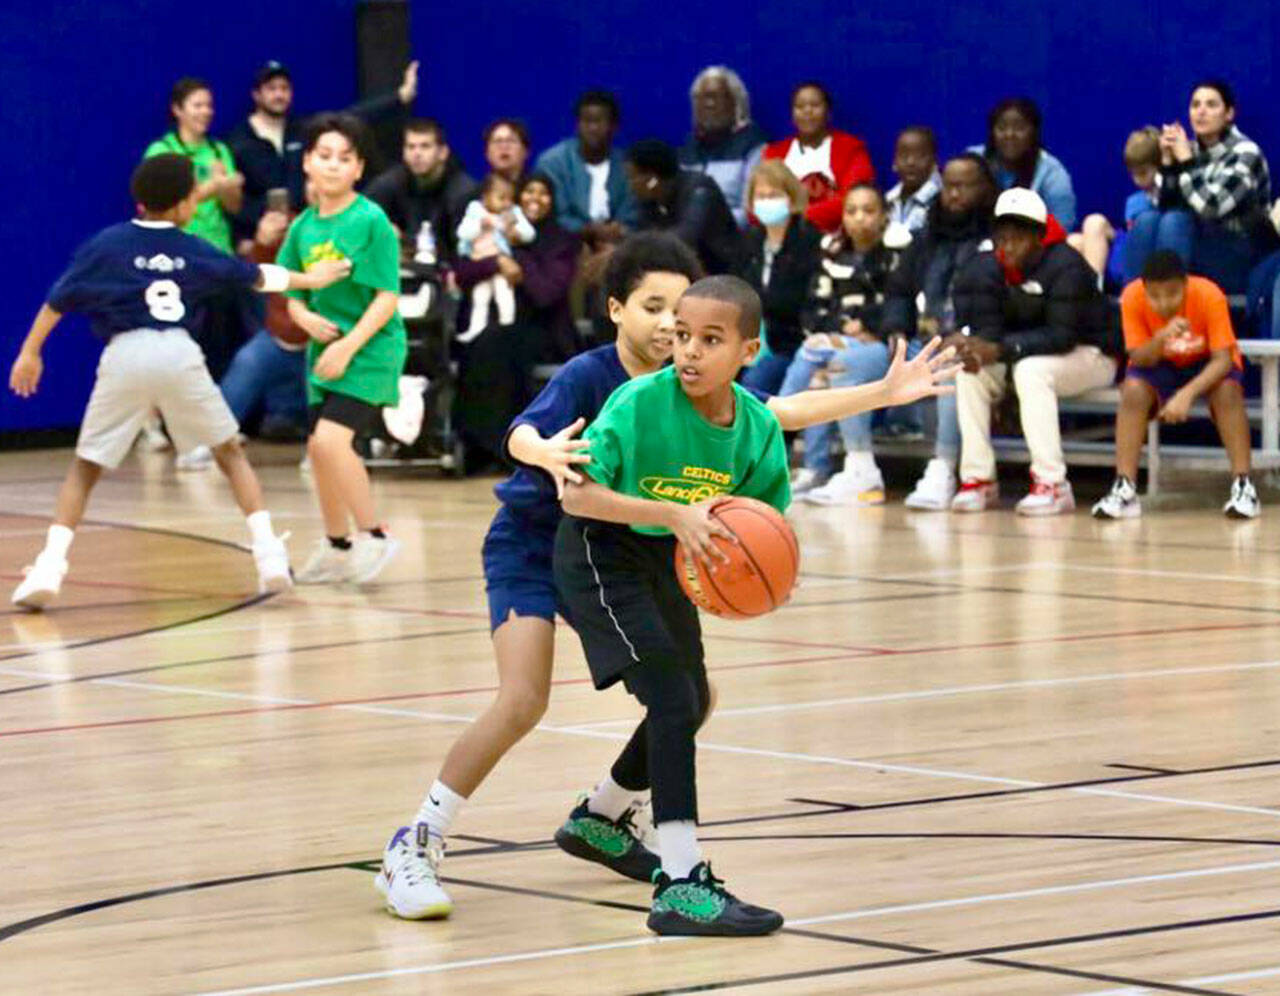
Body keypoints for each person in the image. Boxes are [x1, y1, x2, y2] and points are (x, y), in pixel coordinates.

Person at [372, 231, 957, 923]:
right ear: (618, 310)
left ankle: (605, 816)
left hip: (642, 536)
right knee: (524, 698)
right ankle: (416, 841)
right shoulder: (596, 380)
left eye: (684, 318)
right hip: (541, 540)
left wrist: (882, 392)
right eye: (657, 311)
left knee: (694, 695)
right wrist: (544, 450)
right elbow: (520, 435)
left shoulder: (705, 384)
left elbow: (778, 411)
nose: (671, 332)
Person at [551, 275, 791, 936]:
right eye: (682, 336)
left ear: (749, 351)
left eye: (710, 340)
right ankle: (681, 883)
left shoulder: (757, 427)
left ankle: (601, 817)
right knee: (672, 697)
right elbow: (575, 496)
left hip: (665, 556)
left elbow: (764, 519)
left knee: (694, 697)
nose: (688, 351)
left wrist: (761, 573)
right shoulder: (637, 402)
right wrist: (671, 513)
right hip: (601, 549)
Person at [6, 154, 349, 609]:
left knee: (86, 467)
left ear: (139, 201)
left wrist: (30, 352)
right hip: (178, 352)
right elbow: (259, 277)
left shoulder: (107, 244)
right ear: (188, 203)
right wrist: (312, 276)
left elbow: (58, 301)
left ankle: (50, 565)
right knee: (229, 452)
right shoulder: (192, 247)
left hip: (125, 354)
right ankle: (268, 555)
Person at [277, 114, 408, 585]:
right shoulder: (303, 227)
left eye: (344, 158)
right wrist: (303, 316)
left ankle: (374, 533)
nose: (333, 165)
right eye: (324, 155)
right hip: (325, 353)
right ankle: (336, 544)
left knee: (333, 441)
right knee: (317, 450)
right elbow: (291, 288)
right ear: (308, 162)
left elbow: (387, 297)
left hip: (371, 349)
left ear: (359, 168)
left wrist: (349, 347)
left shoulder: (370, 220)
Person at [950, 188, 1120, 515]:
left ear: (1039, 237)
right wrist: (968, 343)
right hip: (1025, 355)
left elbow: (1063, 336)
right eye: (1003, 237)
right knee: (970, 371)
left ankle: (1053, 483)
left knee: (1031, 371)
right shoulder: (986, 268)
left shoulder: (1066, 265)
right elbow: (987, 330)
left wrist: (1001, 349)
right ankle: (978, 479)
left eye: (1018, 238)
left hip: (1093, 354)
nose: (1008, 246)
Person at [1093, 251, 1258, 520]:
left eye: (1172, 294)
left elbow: (1223, 361)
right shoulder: (1132, 296)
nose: (1164, 303)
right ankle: (1125, 488)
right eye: (1155, 296)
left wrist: (1186, 394)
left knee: (1228, 392)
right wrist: (1159, 339)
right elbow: (1138, 357)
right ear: (1144, 289)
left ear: (1186, 284)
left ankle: (1244, 486)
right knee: (1132, 391)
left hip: (1206, 363)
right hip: (1160, 362)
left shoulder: (1209, 295)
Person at [882, 153, 999, 510]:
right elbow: (899, 290)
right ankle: (855, 465)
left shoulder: (997, 237)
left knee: (952, 364)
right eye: (948, 186)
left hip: (971, 342)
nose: (954, 194)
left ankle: (943, 467)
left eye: (964, 186)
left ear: (984, 189)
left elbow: (1003, 302)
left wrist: (975, 336)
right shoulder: (926, 236)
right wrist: (896, 329)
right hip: (921, 335)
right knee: (853, 361)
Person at [781, 185, 903, 503]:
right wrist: (839, 328)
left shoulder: (898, 256)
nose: (859, 218)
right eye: (851, 211)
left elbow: (902, 304)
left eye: (868, 210)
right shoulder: (831, 257)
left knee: (834, 365)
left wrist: (866, 323)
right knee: (809, 360)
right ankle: (809, 466)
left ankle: (862, 470)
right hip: (840, 340)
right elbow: (812, 309)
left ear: (884, 216)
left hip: (882, 345)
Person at [452, 173, 580, 461]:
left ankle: (503, 447)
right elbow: (461, 273)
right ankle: (473, 445)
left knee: (498, 343)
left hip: (544, 328)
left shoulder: (562, 241)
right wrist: (496, 260)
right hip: (493, 322)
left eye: (543, 193)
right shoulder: (491, 231)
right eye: (528, 192)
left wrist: (517, 257)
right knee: (480, 342)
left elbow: (546, 293)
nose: (535, 199)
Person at [227, 59, 420, 235]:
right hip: (263, 233)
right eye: (271, 88)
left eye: (284, 88)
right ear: (256, 95)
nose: (279, 94)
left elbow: (352, 117)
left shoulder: (303, 130)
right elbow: (233, 199)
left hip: (308, 227)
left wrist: (400, 97)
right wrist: (248, 234)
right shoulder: (238, 141)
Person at [1124, 80, 1273, 295]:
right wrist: (1166, 162)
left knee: (1176, 221)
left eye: (1211, 105)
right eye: (1195, 105)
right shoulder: (1189, 149)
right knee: (1148, 220)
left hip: (1239, 255)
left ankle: (1169, 309)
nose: (1201, 111)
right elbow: (1165, 205)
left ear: (1229, 114)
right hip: (1191, 246)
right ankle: (1132, 307)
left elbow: (1210, 207)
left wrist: (1185, 162)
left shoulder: (1245, 153)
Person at [736, 160, 822, 394]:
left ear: (791, 198)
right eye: (760, 196)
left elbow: (801, 301)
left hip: (791, 344)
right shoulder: (750, 240)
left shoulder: (809, 240)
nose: (766, 202)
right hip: (750, 342)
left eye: (773, 195)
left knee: (753, 384)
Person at [145, 78, 243, 255]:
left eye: (209, 106)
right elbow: (160, 206)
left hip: (218, 249)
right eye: (197, 106)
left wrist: (229, 188)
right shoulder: (161, 151)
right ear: (177, 109)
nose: (206, 112)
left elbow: (234, 207)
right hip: (176, 249)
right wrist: (212, 186)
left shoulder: (219, 150)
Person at [761, 82, 874, 234]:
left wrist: (795, 218)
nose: (808, 111)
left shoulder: (851, 149)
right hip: (782, 238)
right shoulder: (773, 154)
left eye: (815, 105)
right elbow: (759, 203)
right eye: (800, 106)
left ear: (828, 112)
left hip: (837, 239)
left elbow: (854, 201)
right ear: (792, 115)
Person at [364, 118, 478, 265]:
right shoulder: (391, 182)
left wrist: (406, 244)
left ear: (443, 153)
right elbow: (358, 216)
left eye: (425, 146)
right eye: (411, 147)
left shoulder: (463, 192)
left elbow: (461, 251)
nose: (417, 154)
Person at [534, 90, 638, 244]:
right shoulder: (552, 163)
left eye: (599, 121)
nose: (593, 128)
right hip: (563, 245)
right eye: (587, 121)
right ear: (577, 125)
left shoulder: (628, 165)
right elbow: (555, 216)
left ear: (614, 126)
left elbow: (632, 215)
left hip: (619, 245)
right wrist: (589, 231)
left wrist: (618, 231)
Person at [628, 139, 743, 274]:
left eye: (632, 177)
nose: (630, 185)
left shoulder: (699, 188)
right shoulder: (647, 200)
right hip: (685, 273)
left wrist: (636, 249)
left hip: (723, 274)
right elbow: (639, 235)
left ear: (652, 179)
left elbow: (685, 238)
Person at [1069, 127, 1160, 286]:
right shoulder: (1134, 201)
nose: (1138, 180)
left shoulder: (1170, 195)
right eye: (1133, 174)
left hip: (1146, 258)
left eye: (1143, 173)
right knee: (1083, 233)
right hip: (1124, 250)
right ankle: (1094, 291)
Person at [679, 67, 768, 227]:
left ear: (736, 103)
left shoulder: (754, 146)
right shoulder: (687, 149)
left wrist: (709, 224)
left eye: (715, 97)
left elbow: (754, 209)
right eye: (701, 98)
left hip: (732, 238)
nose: (709, 104)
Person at [972, 97, 1077, 230]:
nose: (1009, 135)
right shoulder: (973, 162)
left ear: (1034, 133)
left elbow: (1062, 228)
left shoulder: (1052, 174)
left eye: (1019, 128)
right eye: (1002, 128)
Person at [455, 174, 537, 341]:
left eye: (510, 199)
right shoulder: (475, 211)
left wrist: (516, 231)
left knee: (504, 296)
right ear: (486, 197)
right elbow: (462, 233)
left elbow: (530, 234)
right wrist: (479, 225)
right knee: (480, 298)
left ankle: (507, 328)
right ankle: (476, 329)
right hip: (480, 263)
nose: (506, 203)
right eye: (501, 198)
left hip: (502, 266)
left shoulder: (512, 213)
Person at [885, 127, 942, 236]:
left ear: (934, 161)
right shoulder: (887, 200)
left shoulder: (942, 200)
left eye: (920, 156)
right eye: (904, 156)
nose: (911, 162)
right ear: (894, 162)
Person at [484, 119, 532, 186]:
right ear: (487, 153)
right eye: (497, 141)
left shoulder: (535, 194)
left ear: (525, 151)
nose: (504, 146)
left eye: (511, 141)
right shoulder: (476, 195)